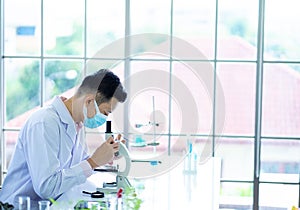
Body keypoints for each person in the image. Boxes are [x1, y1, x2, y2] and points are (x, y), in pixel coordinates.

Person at [0, 69, 127, 208]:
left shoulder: (76, 125)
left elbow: (74, 170)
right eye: (105, 112)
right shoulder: (44, 123)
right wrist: (93, 162)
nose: (104, 119)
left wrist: (106, 157)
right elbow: (47, 188)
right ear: (90, 100)